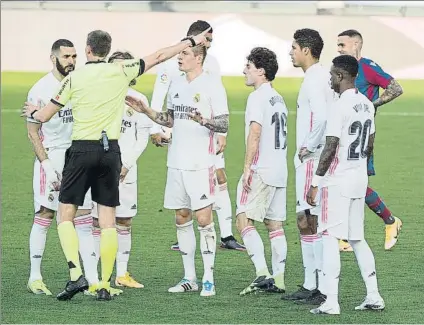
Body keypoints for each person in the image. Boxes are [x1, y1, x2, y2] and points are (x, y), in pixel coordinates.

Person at [21, 29, 210, 301]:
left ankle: (76, 275)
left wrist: (33, 113)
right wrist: (191, 41)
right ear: (108, 51)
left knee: (66, 215)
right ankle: (105, 284)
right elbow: (159, 55)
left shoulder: (75, 77)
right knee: (107, 219)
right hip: (111, 152)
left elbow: (46, 113)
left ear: (88, 50)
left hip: (81, 149)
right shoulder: (122, 71)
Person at [125, 40, 229, 297]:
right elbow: (169, 119)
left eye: (184, 54)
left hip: (200, 164)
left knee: (204, 220)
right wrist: (148, 111)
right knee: (182, 217)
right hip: (176, 163)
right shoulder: (177, 84)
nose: (179, 58)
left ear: (198, 58)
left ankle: (208, 278)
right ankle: (189, 277)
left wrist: (204, 120)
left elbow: (224, 124)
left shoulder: (212, 85)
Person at [151, 20, 244, 251]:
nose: (210, 44)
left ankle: (227, 234)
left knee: (219, 176)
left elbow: (218, 103)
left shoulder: (211, 62)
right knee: (185, 187)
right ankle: (186, 234)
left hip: (207, 134)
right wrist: (156, 129)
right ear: (193, 38)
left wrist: (223, 132)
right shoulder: (172, 65)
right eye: (207, 39)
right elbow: (159, 96)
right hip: (181, 134)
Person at [307, 55, 385, 315]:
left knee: (329, 236)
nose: (330, 78)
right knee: (357, 238)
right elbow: (370, 143)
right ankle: (373, 295)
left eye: (332, 74)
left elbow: (330, 146)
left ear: (340, 76)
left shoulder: (339, 106)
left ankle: (331, 301)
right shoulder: (366, 104)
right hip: (358, 177)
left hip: (337, 180)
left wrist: (316, 182)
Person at [26, 39, 99, 296]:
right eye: (66, 56)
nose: (71, 61)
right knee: (45, 214)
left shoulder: (79, 82)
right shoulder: (40, 89)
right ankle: (35, 277)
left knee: (84, 218)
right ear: (53, 58)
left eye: (75, 56)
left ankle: (91, 280)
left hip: (78, 157)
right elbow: (33, 132)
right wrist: (46, 166)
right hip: (53, 158)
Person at [337, 29, 403, 251]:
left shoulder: (367, 67)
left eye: (342, 45)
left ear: (356, 45)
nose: (338, 49)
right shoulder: (342, 70)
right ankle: (345, 236)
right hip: (342, 134)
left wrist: (372, 105)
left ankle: (390, 221)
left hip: (360, 137)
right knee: (344, 182)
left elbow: (396, 88)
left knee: (355, 184)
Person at [91, 51, 153, 289]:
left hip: (127, 170)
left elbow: (143, 137)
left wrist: (126, 164)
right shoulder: (99, 96)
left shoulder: (138, 99)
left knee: (124, 221)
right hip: (101, 167)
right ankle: (95, 274)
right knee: (98, 222)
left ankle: (122, 273)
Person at [283, 28, 335, 305]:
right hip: (313, 158)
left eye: (293, 47)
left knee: (307, 219)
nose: (290, 52)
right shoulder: (319, 77)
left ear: (306, 49)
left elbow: (323, 119)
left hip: (311, 160)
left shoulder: (315, 79)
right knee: (309, 220)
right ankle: (314, 283)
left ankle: (316, 285)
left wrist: (308, 148)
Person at [235, 47, 288, 296]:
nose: (244, 70)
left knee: (243, 218)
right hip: (280, 169)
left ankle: (262, 274)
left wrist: (247, 168)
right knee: (274, 225)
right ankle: (279, 278)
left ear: (261, 71)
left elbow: (255, 133)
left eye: (248, 65)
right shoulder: (278, 98)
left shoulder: (256, 98)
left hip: (262, 168)